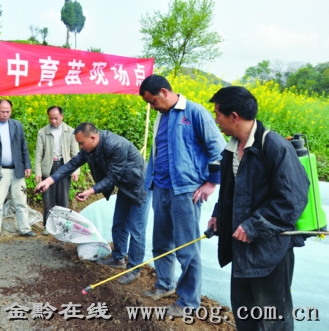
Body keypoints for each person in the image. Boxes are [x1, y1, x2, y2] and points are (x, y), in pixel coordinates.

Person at [208, 86, 309, 331]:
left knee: (273, 318)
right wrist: (218, 214)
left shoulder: (274, 147)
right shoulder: (231, 149)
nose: (216, 120)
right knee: (245, 312)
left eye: (217, 114)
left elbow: (293, 199)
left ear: (234, 116)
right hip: (241, 248)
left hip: (269, 251)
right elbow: (231, 191)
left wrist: (254, 225)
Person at [138, 75, 226, 316]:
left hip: (185, 190)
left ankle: (188, 302)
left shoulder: (194, 112)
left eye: (153, 101)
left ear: (165, 92)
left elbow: (218, 149)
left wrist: (211, 182)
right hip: (162, 188)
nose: (151, 106)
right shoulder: (160, 116)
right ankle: (164, 285)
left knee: (186, 247)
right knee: (161, 243)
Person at [35, 122, 150, 285]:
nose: (80, 147)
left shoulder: (116, 145)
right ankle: (118, 258)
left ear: (93, 137)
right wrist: (49, 180)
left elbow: (112, 177)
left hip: (140, 185)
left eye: (82, 143)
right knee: (119, 223)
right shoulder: (88, 148)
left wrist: (91, 191)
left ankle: (134, 269)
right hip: (125, 186)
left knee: (137, 229)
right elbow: (71, 165)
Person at [0, 98, 35, 242]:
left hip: (17, 170)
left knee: (21, 201)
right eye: (2, 111)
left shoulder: (17, 125)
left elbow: (24, 147)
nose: (5, 114)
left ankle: (25, 228)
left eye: (8, 111)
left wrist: (27, 165)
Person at [34, 106, 80, 235]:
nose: (53, 121)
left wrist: (76, 171)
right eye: (51, 118)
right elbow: (39, 154)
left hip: (65, 166)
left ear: (62, 116)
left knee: (63, 197)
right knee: (48, 197)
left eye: (56, 118)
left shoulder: (70, 131)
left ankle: (62, 225)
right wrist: (38, 172)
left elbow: (76, 154)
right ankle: (48, 226)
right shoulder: (42, 132)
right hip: (48, 166)